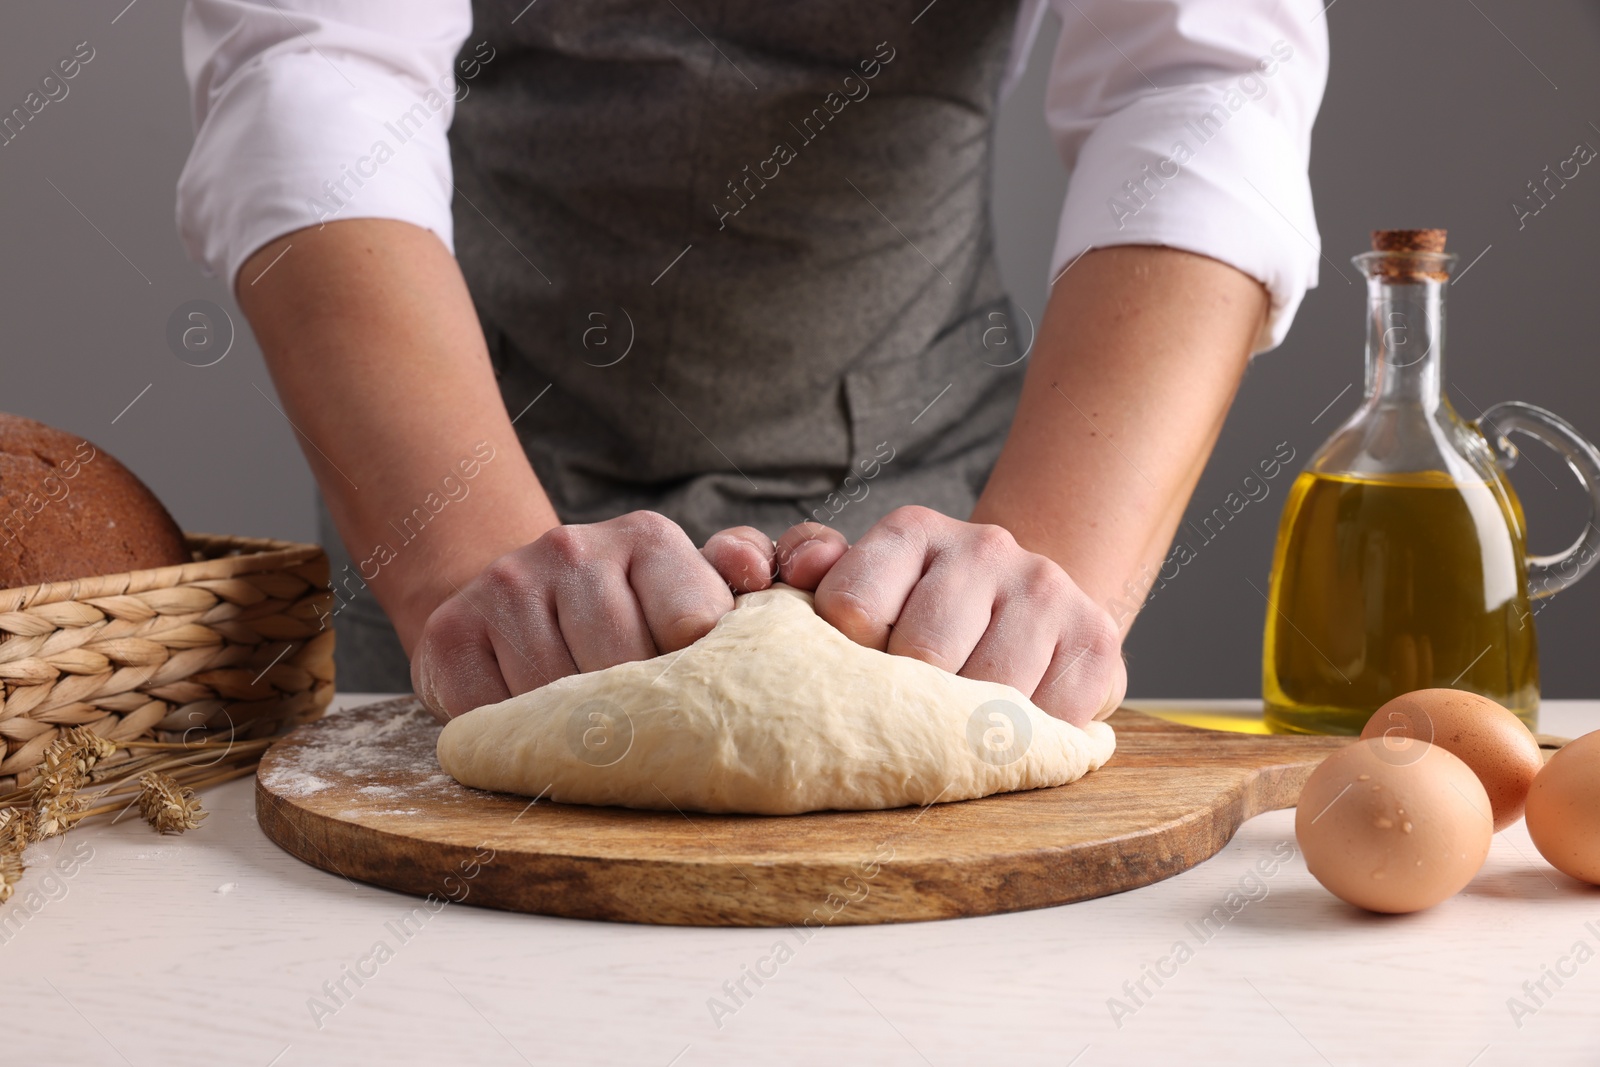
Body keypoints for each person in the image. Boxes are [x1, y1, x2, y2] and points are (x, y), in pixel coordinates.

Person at [177, 1, 1326, 725]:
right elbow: (317, 64)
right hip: (462, 505)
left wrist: (1041, 589)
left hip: (934, 504)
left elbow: (1195, 78)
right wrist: (461, 584)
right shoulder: (467, 575)